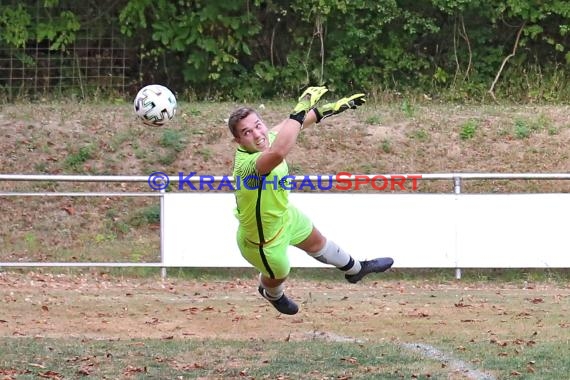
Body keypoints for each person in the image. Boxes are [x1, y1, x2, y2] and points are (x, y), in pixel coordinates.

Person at [227, 86, 394, 315]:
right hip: (262, 241)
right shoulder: (246, 165)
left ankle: (356, 270)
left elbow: (294, 124)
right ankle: (271, 293)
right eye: (247, 132)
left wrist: (327, 110)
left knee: (317, 242)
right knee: (280, 273)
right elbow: (278, 153)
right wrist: (301, 106)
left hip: (284, 216)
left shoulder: (268, 137)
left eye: (258, 125)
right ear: (238, 141)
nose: (257, 134)